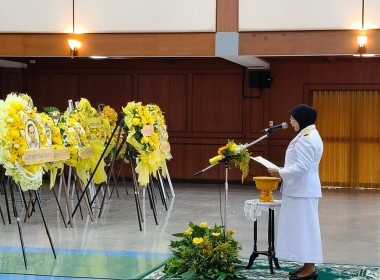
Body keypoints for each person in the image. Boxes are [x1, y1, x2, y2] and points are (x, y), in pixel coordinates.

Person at [268, 104, 323, 280]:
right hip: (299, 190)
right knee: (300, 229)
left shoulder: (307, 138)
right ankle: (307, 264)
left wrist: (280, 172)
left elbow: (303, 167)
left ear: (301, 118)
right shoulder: (306, 135)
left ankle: (310, 268)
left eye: (292, 118)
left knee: (305, 229)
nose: (290, 122)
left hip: (303, 190)